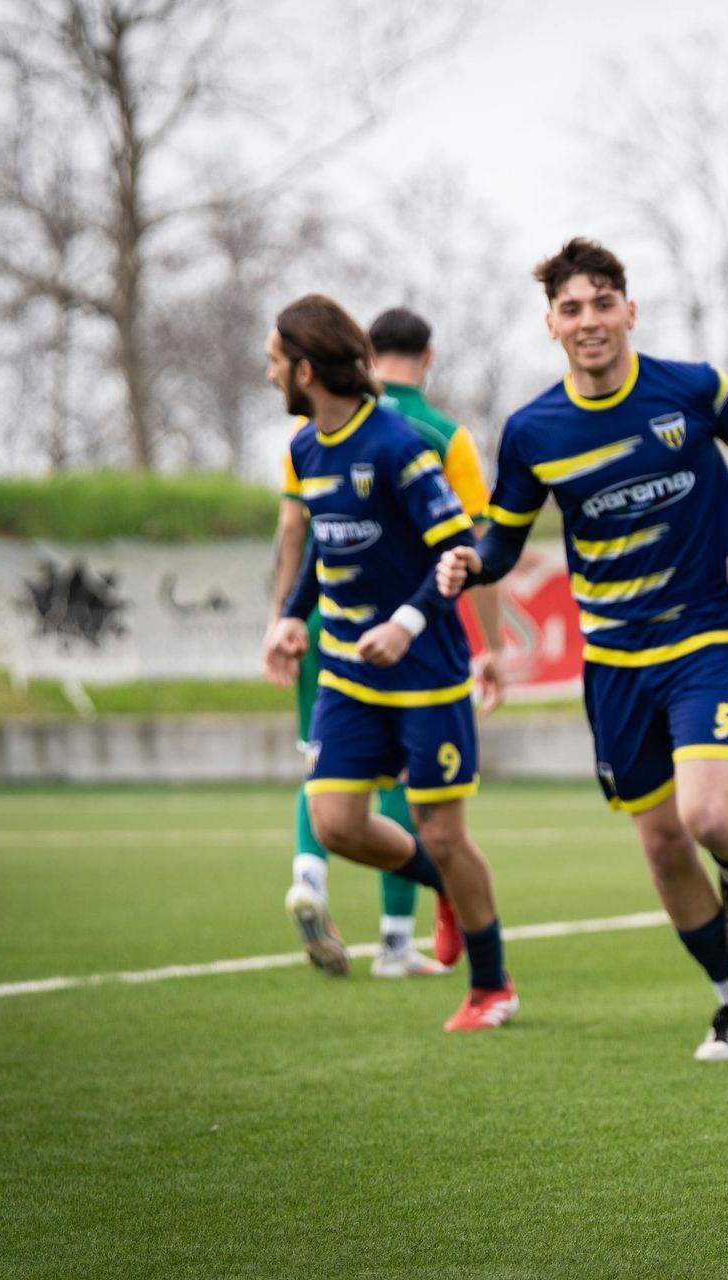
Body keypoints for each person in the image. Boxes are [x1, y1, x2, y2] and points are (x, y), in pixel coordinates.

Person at [436, 238, 728, 1062]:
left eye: (601, 303)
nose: (588, 321)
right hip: (615, 658)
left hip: (702, 635)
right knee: (661, 840)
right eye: (570, 308)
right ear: (551, 324)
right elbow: (506, 537)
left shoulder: (692, 387)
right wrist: (473, 558)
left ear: (630, 310)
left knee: (710, 815)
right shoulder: (533, 429)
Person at [259, 293, 515, 1033]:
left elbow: (456, 554)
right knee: (335, 822)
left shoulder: (400, 445)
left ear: (305, 369)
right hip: (344, 671)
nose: (270, 375)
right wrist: (288, 619)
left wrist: (406, 623)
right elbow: (321, 545)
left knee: (440, 829)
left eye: (275, 362)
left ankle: (491, 985)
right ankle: (450, 891)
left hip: (425, 672)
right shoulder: (306, 448)